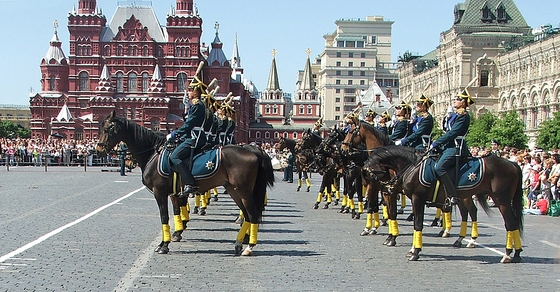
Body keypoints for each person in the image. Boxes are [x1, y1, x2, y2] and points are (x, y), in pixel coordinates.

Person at [430, 88, 473, 206]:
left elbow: (453, 133)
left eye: (458, 99)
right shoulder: (455, 115)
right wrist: (447, 117)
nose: (455, 100)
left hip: (456, 147)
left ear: (463, 103)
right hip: (448, 146)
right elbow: (446, 129)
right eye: (455, 98)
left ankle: (453, 194)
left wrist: (437, 142)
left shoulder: (463, 116)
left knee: (439, 168)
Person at [168, 76, 208, 198]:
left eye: (191, 90)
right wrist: (186, 107)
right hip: (195, 136)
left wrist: (174, 134)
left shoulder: (197, 106)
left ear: (196, 92)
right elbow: (189, 119)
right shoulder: (197, 106)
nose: (188, 92)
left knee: (174, 157)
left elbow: (189, 124)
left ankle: (190, 183)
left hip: (195, 138)